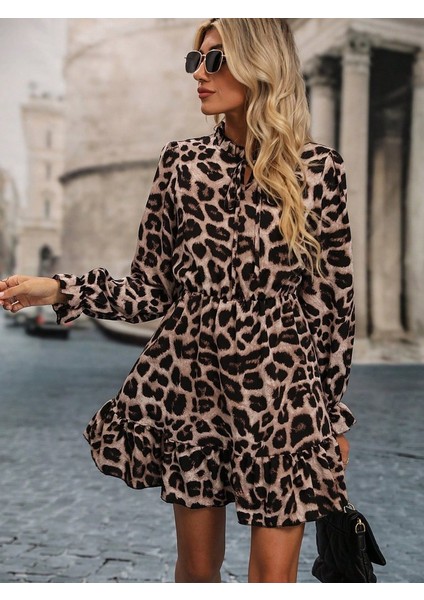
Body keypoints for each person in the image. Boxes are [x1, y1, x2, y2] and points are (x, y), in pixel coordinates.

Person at [0, 18, 355, 583]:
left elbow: (332, 309)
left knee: (273, 580)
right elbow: (150, 291)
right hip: (194, 394)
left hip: (283, 398)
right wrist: (62, 289)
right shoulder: (181, 164)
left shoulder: (320, 171)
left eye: (215, 60)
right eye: (195, 61)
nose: (199, 74)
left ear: (260, 64)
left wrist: (331, 415)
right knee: (196, 573)